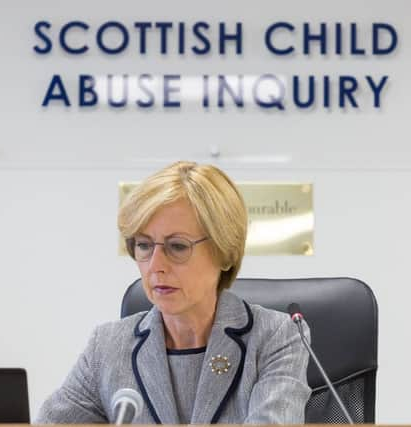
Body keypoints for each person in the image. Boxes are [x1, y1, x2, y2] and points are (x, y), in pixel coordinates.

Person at [36, 161, 310, 424]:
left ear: (224, 252)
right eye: (144, 246)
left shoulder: (275, 337)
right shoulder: (107, 347)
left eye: (177, 247)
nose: (155, 266)